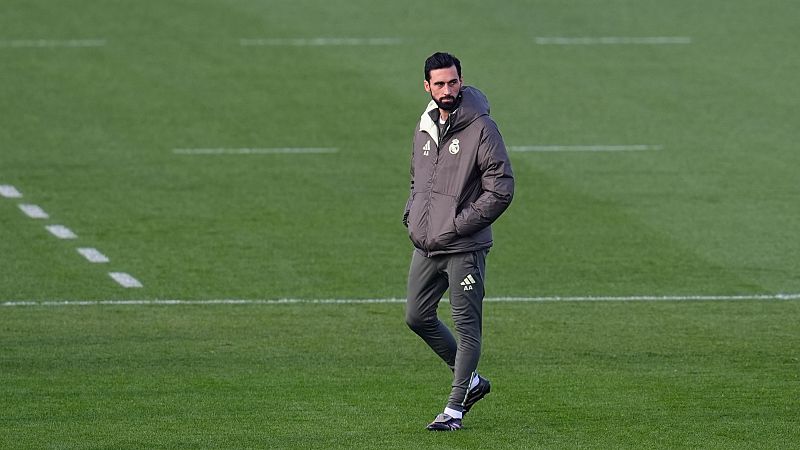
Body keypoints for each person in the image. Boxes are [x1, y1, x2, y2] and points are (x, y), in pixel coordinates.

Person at [403, 52, 514, 431]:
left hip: (464, 246)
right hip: (428, 243)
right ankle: (472, 381)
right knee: (417, 316)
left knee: (467, 329)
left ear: (461, 80)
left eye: (452, 82)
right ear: (427, 87)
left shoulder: (482, 127)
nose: (447, 90)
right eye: (439, 84)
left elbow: (500, 189)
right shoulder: (425, 127)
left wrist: (459, 224)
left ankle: (453, 410)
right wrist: (412, 215)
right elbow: (419, 179)